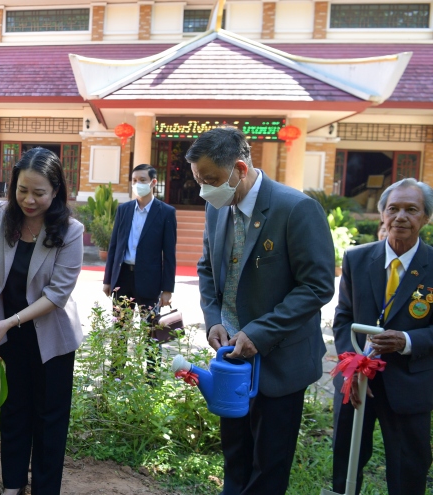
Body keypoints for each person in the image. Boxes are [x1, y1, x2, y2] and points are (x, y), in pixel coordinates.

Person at [188, 127, 335, 495]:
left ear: (240, 168)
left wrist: (260, 332)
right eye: (199, 181)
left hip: (279, 362)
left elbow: (317, 286)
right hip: (232, 360)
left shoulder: (295, 208)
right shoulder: (216, 207)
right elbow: (207, 269)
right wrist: (214, 321)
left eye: (212, 180)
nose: (205, 190)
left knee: (268, 468)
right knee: (234, 458)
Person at [0, 147, 83, 495]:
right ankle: (12, 485)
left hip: (52, 339)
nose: (29, 200)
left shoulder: (70, 230)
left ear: (56, 191)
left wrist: (11, 321)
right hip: (10, 337)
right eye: (22, 190)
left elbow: (56, 295)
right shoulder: (1, 214)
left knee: (49, 422)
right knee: (13, 412)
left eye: (39, 193)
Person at [331, 178, 433, 495]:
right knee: (346, 462)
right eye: (394, 209)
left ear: (426, 218)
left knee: (408, 469)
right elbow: (343, 318)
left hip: (409, 384)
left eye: (411, 209)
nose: (401, 216)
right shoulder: (357, 259)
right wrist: (353, 366)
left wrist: (407, 341)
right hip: (357, 384)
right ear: (382, 215)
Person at [103, 164, 177, 309]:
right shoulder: (123, 209)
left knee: (150, 329)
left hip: (149, 281)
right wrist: (107, 280)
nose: (137, 184)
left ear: (153, 182)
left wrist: (167, 290)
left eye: (142, 180)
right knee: (121, 328)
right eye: (134, 180)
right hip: (122, 278)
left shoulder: (166, 213)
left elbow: (169, 255)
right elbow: (114, 247)